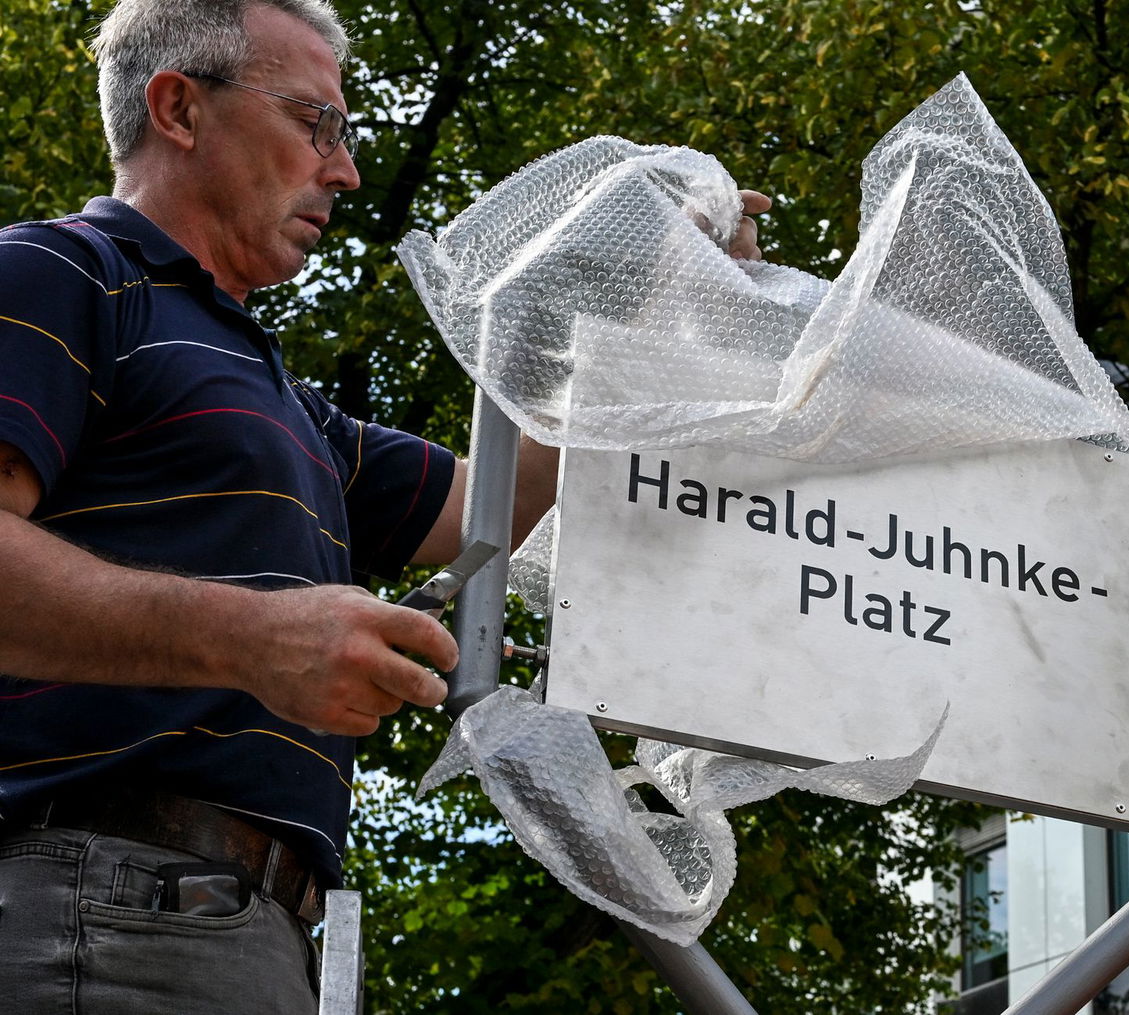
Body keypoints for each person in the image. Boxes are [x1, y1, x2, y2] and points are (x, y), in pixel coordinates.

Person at [0, 1, 766, 1010]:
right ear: (180, 108)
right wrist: (249, 638)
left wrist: (659, 304)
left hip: (243, 930)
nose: (346, 169)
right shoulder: (60, 274)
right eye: (315, 123)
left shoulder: (289, 405)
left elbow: (510, 509)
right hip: (98, 905)